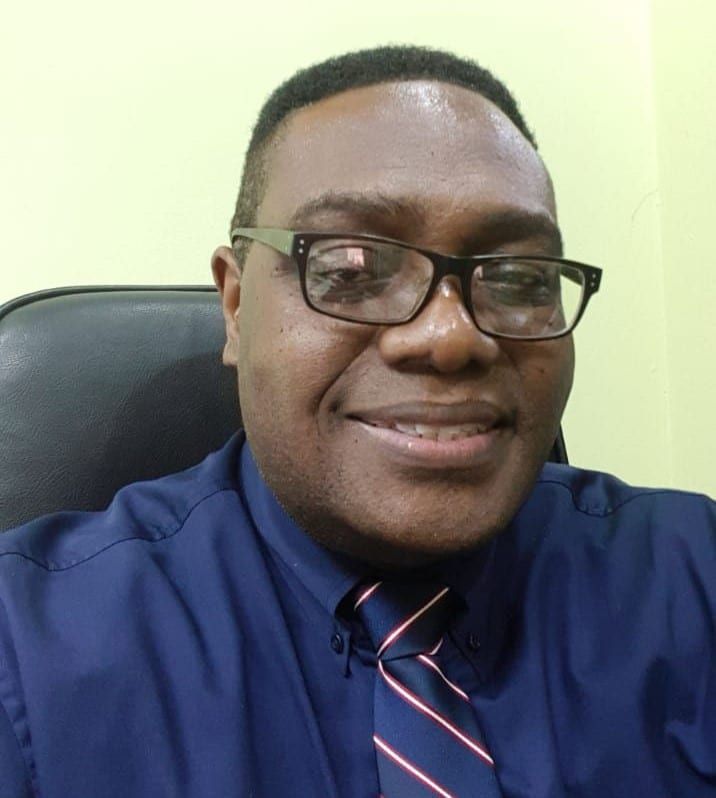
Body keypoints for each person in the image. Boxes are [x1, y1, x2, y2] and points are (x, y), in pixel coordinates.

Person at [0, 45, 714, 798]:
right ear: (237, 306)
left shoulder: (693, 583)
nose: (450, 337)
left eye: (518, 278)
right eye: (349, 269)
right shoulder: (27, 653)